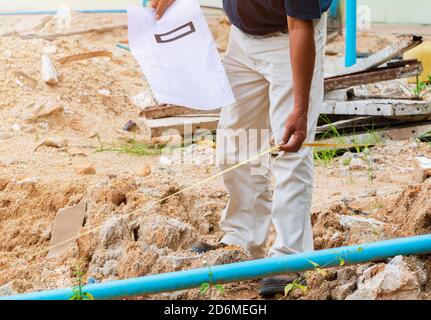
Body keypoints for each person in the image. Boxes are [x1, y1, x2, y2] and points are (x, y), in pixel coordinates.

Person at [151, 0, 333, 297]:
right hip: (243, 38)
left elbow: (299, 25)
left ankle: (290, 256)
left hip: (290, 38)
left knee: (289, 150)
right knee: (235, 144)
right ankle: (243, 239)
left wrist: (300, 109)